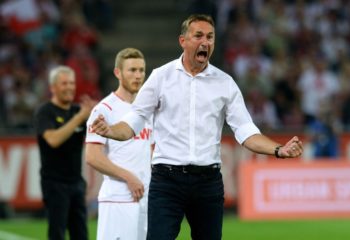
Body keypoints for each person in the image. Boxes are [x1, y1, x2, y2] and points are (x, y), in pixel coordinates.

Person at [90, 14, 303, 240]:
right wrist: (111, 131)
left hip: (207, 181)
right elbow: (134, 122)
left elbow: (246, 131)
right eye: (198, 35)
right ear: (183, 41)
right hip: (167, 180)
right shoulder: (160, 78)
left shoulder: (225, 83)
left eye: (210, 37)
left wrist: (278, 150)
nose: (205, 42)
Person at [85, 48, 153, 240]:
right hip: (118, 198)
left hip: (145, 198)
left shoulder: (145, 110)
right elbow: (92, 156)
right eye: (132, 70)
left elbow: (150, 150)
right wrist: (128, 177)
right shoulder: (104, 110)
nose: (138, 75)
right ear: (118, 73)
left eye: (141, 70)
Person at [34, 65, 96, 240]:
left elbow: (99, 133)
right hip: (54, 183)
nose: (69, 87)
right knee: (57, 233)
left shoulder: (78, 111)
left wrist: (98, 113)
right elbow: (53, 140)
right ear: (53, 87)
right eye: (64, 83)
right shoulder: (45, 112)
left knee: (81, 234)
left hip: (76, 182)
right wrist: (79, 118)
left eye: (72, 83)